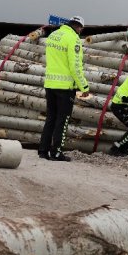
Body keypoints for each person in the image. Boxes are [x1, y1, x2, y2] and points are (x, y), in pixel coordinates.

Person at [38, 16, 90, 162]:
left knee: (50, 118)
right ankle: (56, 153)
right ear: (79, 27)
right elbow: (75, 67)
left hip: (50, 84)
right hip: (65, 88)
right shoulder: (73, 39)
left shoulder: (53, 35)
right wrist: (84, 86)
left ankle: (43, 150)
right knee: (63, 120)